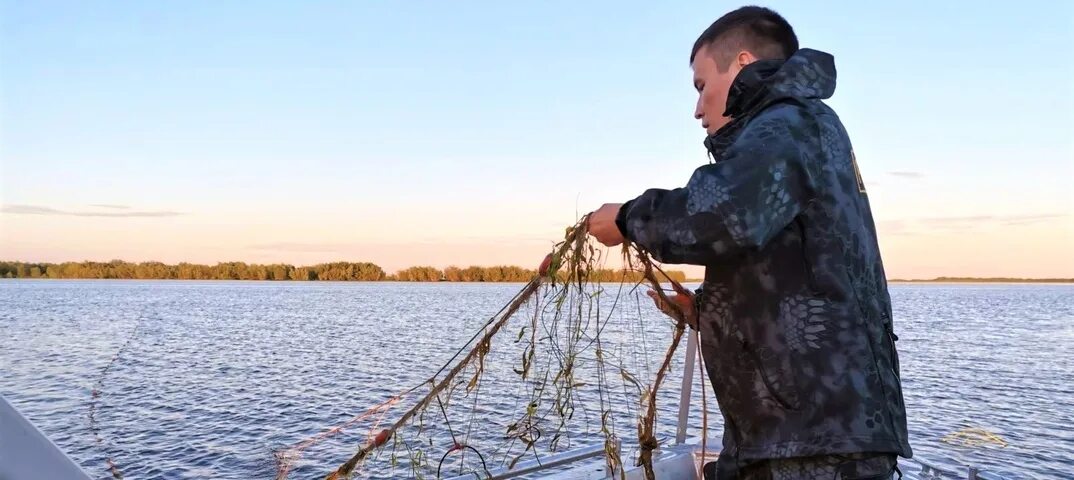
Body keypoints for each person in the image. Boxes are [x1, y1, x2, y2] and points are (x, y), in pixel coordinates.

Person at [584, 6, 913, 480]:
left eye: (701, 86)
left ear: (741, 62)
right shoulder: (798, 129)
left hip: (814, 442)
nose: (697, 108)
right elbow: (799, 269)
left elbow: (722, 215)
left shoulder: (789, 122)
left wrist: (629, 217)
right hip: (794, 434)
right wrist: (707, 312)